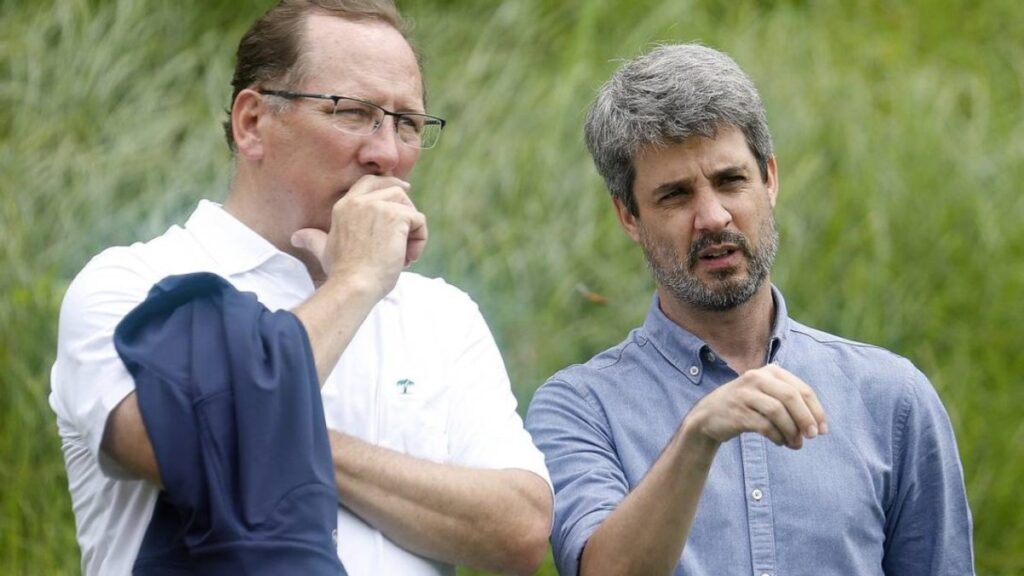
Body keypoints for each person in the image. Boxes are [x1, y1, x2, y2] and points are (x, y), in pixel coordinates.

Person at [49, 1, 552, 575]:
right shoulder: (133, 283)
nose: (387, 153)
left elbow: (519, 530)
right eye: (353, 112)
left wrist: (296, 439)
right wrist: (358, 280)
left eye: (407, 123)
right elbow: (186, 446)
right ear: (253, 123)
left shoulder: (443, 314)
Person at [525, 43, 974, 576]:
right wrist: (699, 436)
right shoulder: (579, 408)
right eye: (674, 195)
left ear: (771, 180)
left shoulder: (892, 398)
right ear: (628, 217)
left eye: (730, 180)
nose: (712, 217)